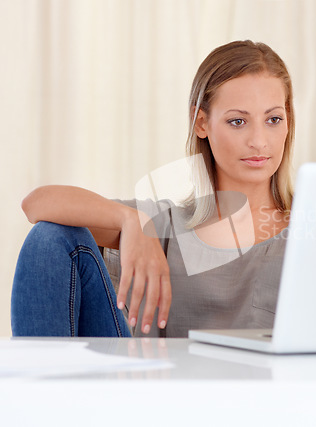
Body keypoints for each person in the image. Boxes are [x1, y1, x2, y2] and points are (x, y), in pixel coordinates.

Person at [11, 40, 295, 337]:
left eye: (273, 119)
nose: (259, 141)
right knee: (49, 236)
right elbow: (37, 203)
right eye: (238, 121)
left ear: (288, 123)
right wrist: (130, 220)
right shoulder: (164, 226)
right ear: (201, 124)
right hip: (151, 381)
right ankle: (43, 381)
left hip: (274, 383)